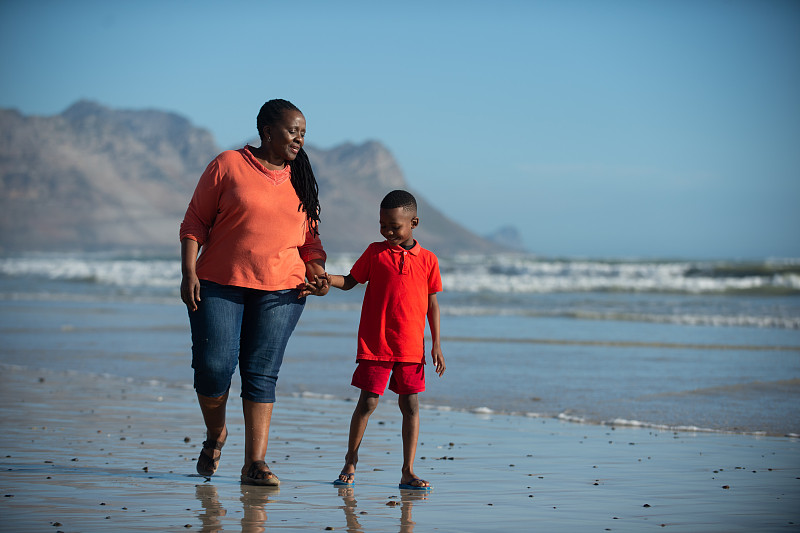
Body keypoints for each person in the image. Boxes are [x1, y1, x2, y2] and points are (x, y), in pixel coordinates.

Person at [179, 99, 329, 486]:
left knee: (261, 374)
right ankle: (216, 434)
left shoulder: (302, 176)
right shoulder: (228, 164)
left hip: (283, 290)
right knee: (213, 370)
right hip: (218, 283)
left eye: (303, 133)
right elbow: (195, 220)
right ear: (266, 131)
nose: (299, 138)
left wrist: (317, 269)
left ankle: (254, 464)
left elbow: (310, 240)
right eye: (292, 130)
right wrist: (188, 271)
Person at [314, 189, 445, 491]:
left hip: (411, 348)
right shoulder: (375, 253)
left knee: (410, 406)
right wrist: (328, 279)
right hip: (376, 345)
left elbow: (432, 304)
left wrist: (436, 344)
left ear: (414, 222)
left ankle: (408, 471)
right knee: (367, 403)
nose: (387, 232)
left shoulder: (428, 260)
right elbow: (350, 281)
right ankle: (350, 460)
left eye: (394, 226)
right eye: (382, 225)